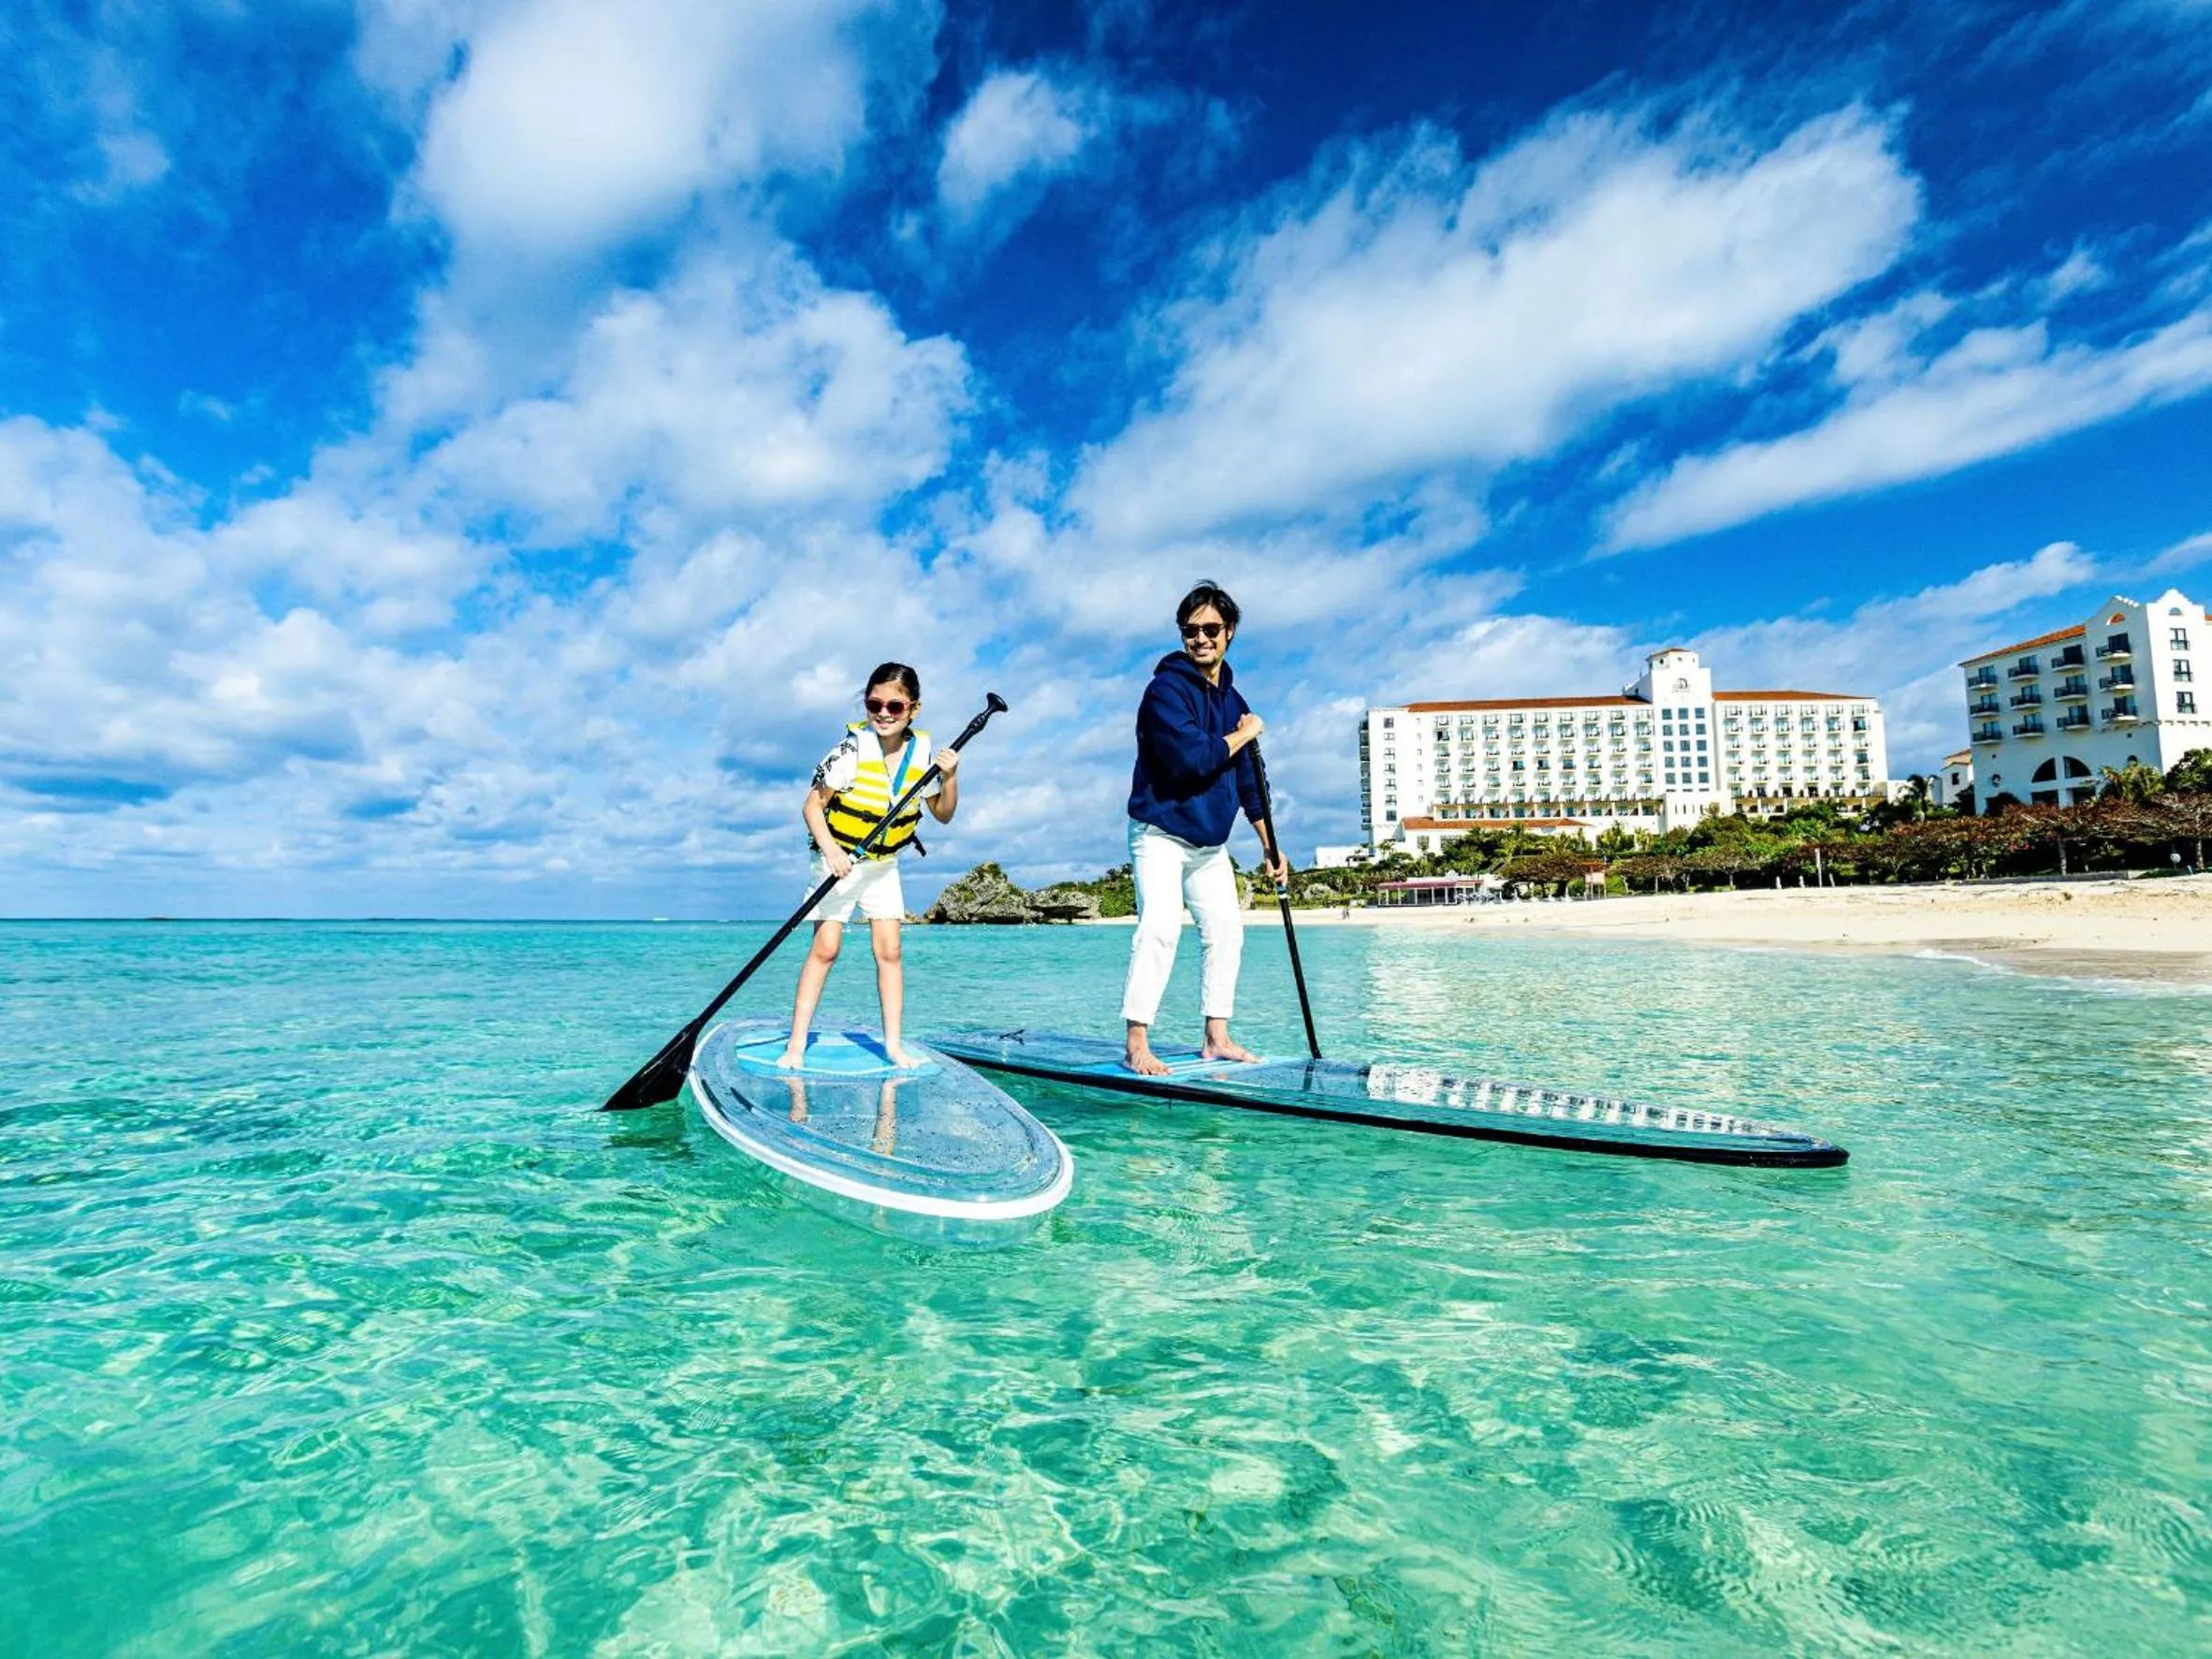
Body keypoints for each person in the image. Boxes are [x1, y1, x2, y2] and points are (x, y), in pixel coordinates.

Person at [1122, 581, 1288, 1076]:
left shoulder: (1233, 698)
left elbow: (1248, 779)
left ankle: (1216, 1039)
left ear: (1229, 632)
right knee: (1160, 927)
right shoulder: (1164, 692)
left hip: (1209, 842)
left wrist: (1269, 847)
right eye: (1191, 630)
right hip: (1159, 831)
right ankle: (1136, 1043)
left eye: (1210, 629)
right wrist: (1245, 732)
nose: (1200, 638)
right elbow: (1196, 760)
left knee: (1226, 930)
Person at [779, 663, 960, 1070]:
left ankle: (893, 1047)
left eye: (894, 706)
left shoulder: (923, 756)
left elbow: (944, 814)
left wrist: (950, 777)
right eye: (874, 703)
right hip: (839, 859)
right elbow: (812, 806)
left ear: (913, 709)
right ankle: (795, 1045)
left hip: (883, 864)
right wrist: (831, 852)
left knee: (890, 951)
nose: (883, 713)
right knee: (826, 949)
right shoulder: (849, 751)